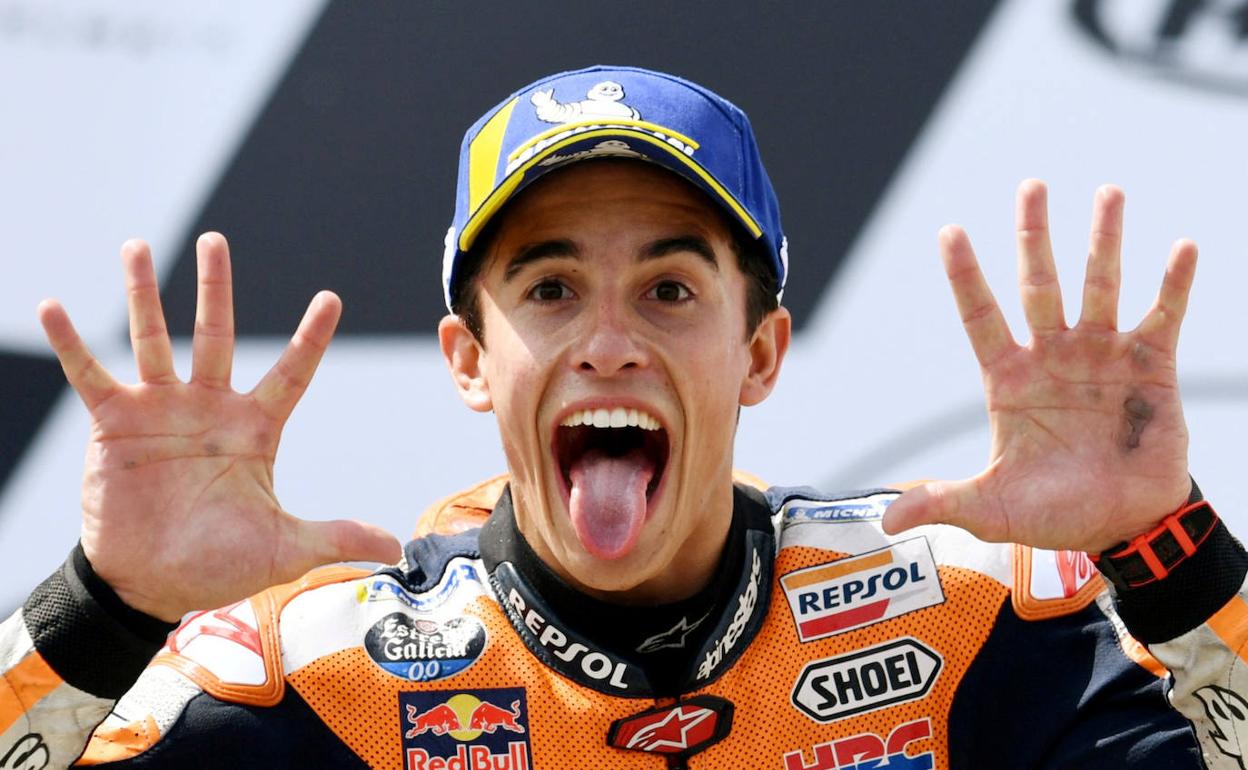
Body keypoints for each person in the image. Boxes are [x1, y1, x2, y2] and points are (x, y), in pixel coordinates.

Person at [1, 65, 1244, 770]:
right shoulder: (325, 674)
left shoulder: (958, 619)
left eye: (669, 289)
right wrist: (102, 607)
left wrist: (1169, 550)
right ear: (469, 360)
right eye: (550, 290)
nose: (608, 342)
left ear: (759, 353)